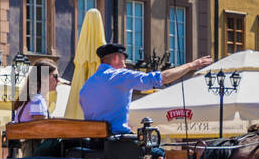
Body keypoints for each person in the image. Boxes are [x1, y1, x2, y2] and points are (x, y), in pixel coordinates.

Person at [78, 43, 215, 134]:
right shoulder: (119, 75)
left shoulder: (87, 85)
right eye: (124, 60)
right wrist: (191, 65)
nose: (125, 65)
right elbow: (160, 79)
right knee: (158, 154)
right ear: (116, 58)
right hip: (116, 143)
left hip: (93, 142)